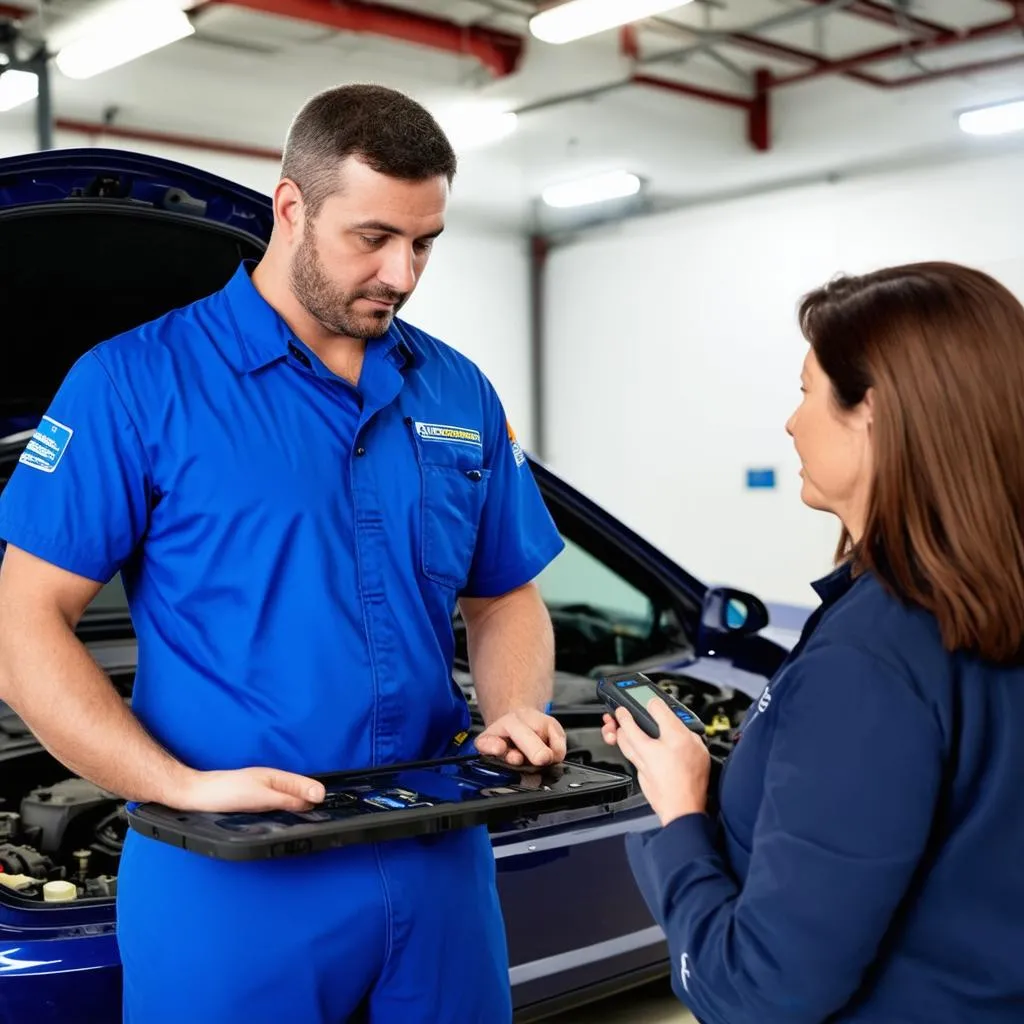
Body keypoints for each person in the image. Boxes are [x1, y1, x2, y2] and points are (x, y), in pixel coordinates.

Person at [0, 84, 566, 1023]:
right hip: (230, 874)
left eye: (424, 242)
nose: (403, 273)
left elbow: (505, 595)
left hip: (436, 857)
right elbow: (25, 630)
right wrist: (174, 784)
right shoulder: (135, 384)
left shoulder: (457, 390)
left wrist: (514, 711)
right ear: (292, 209)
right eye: (373, 237)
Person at [603, 261, 1024, 1023]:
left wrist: (682, 816)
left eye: (806, 390)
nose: (792, 422)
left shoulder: (871, 660)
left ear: (875, 412)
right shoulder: (978, 609)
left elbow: (760, 994)